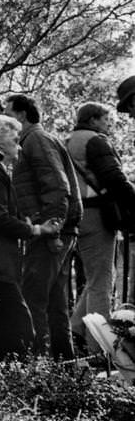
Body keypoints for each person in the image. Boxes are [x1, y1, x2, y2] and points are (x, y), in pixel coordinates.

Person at [0, 115, 60, 360]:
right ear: (0, 142)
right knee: (18, 331)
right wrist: (37, 230)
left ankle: (1, 379)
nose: (19, 146)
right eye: (15, 140)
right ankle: (17, 377)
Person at [3, 94, 81, 359]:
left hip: (51, 233)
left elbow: (57, 186)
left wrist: (53, 230)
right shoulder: (32, 141)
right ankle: (63, 368)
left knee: (32, 298)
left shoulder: (37, 140)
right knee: (56, 304)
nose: (4, 118)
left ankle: (33, 366)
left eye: (8, 112)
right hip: (52, 231)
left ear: (22, 115)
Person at [67, 102, 135, 351]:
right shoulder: (95, 141)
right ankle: (100, 347)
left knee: (96, 276)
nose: (109, 124)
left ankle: (75, 329)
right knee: (103, 281)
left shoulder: (68, 141)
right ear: (93, 120)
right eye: (106, 119)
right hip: (97, 214)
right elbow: (114, 177)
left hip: (76, 214)